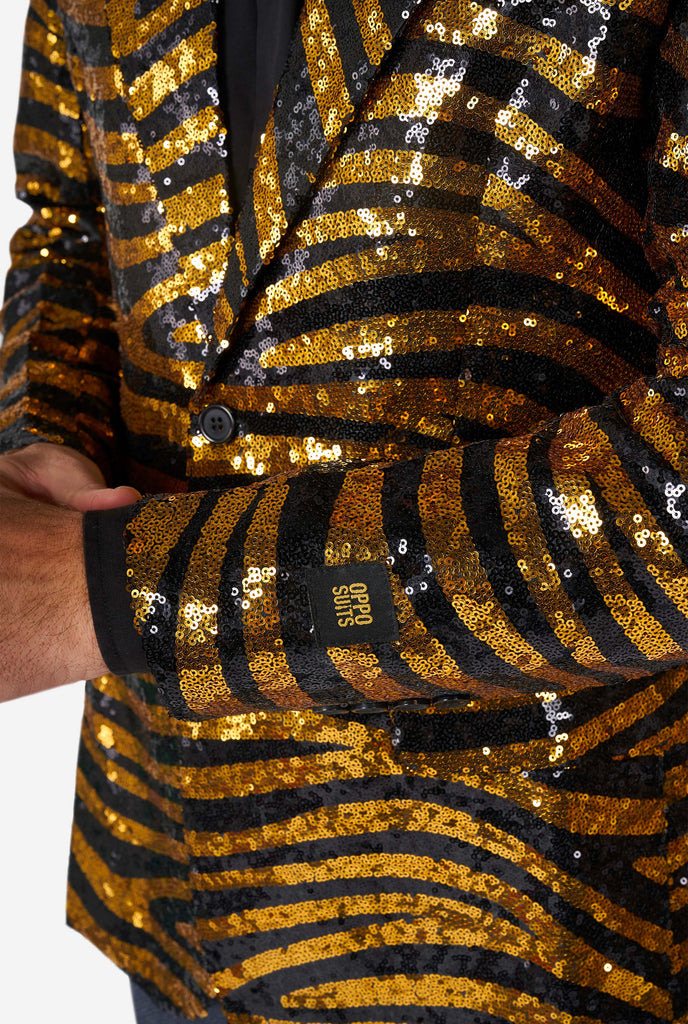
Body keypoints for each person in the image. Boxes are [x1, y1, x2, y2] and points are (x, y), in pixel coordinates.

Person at [0, 1, 686, 1022]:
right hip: (174, 876)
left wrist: (120, 589)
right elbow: (68, 223)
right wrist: (35, 438)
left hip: (528, 917)